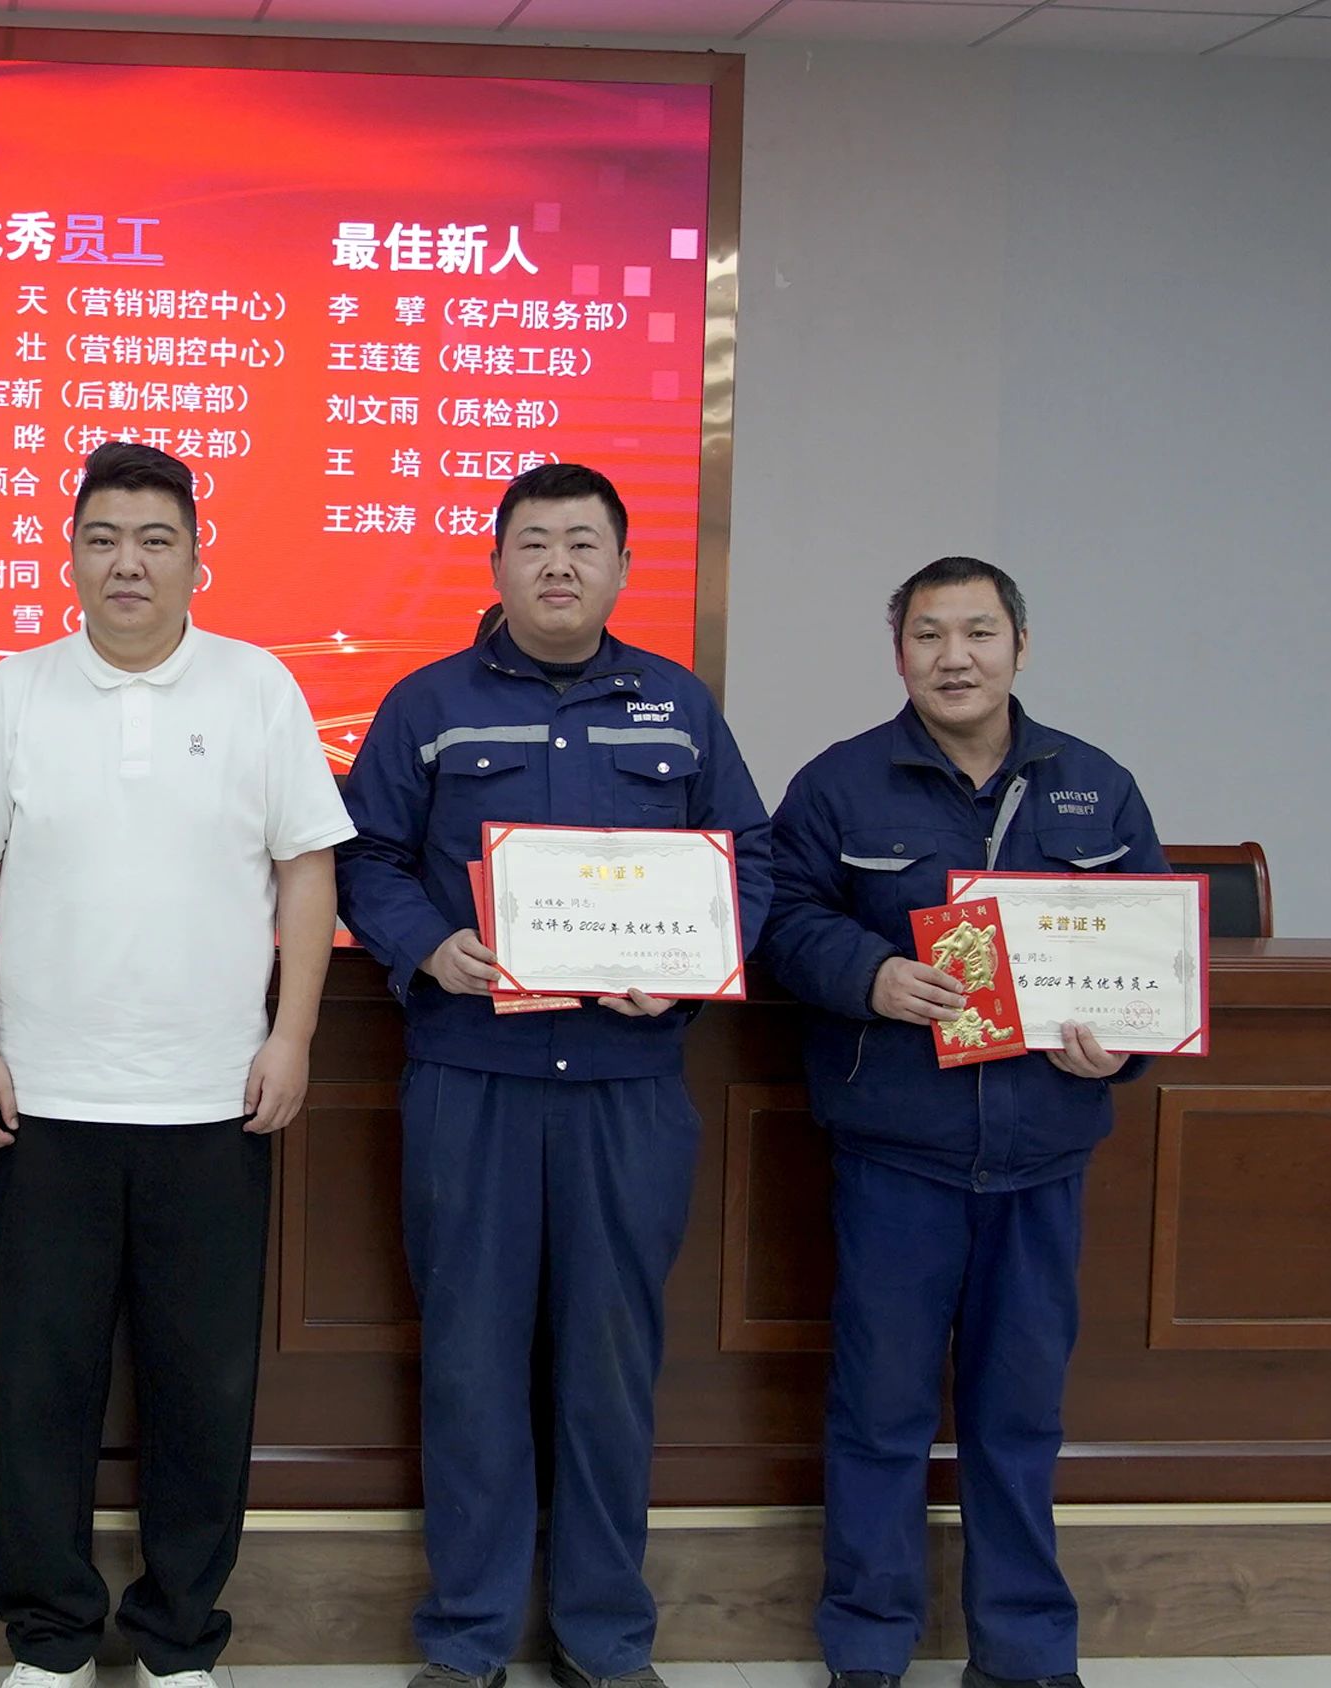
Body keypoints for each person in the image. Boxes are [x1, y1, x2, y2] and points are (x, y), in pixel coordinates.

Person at [336, 462, 773, 1688]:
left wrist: (687, 968)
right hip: (471, 1074)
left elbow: (748, 861)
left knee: (609, 1366)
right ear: (495, 565)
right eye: (533, 542)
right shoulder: (427, 703)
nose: (558, 564)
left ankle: (603, 1636)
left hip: (625, 1086)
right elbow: (363, 856)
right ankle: (467, 1637)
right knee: (469, 1362)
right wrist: (429, 944)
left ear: (623, 566)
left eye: (583, 542)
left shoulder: (679, 707)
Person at [0, 440, 354, 1688]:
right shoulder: (11, 691)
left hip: (213, 1099)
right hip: (42, 1099)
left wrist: (291, 1032)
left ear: (195, 559)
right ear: (67, 556)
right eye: (104, 537)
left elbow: (306, 868)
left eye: (155, 539)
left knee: (204, 1387)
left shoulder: (258, 687)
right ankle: (50, 1638)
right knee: (39, 1384)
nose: (128, 561)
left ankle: (178, 1638)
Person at [756, 557, 1165, 1688]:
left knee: (1019, 1418)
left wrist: (1125, 1045)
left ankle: (1025, 1652)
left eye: (978, 632)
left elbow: (1150, 951)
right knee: (879, 1412)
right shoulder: (839, 784)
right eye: (928, 635)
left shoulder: (1094, 786)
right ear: (898, 655)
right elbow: (778, 917)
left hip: (1043, 1153)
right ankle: (866, 1648)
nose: (954, 657)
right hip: (898, 1152)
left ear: (1019, 646)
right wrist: (870, 974)